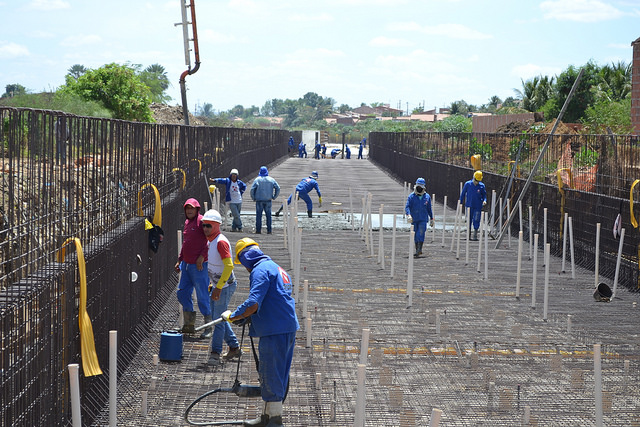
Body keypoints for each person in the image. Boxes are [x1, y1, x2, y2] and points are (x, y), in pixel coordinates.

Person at [221, 238, 299, 427]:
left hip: (274, 330)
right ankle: (267, 417)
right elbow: (275, 299)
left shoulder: (259, 271)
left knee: (271, 374)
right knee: (277, 373)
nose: (246, 269)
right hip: (286, 327)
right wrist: (250, 317)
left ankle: (274, 421)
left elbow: (254, 303)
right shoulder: (276, 268)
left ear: (245, 259)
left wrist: (234, 315)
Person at [201, 209, 242, 365]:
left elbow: (229, 266)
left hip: (225, 286)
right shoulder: (210, 240)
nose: (205, 229)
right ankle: (234, 347)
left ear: (216, 226)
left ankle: (215, 353)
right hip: (218, 285)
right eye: (204, 225)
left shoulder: (220, 242)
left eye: (209, 226)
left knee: (218, 320)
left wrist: (218, 287)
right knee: (219, 318)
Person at [175, 198, 212, 336]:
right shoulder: (187, 222)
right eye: (187, 208)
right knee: (182, 293)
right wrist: (180, 259)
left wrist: (202, 257)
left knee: (202, 296)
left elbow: (209, 240)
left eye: (192, 208)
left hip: (199, 266)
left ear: (197, 209)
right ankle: (189, 324)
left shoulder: (202, 221)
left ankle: (208, 326)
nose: (189, 210)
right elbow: (186, 243)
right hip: (186, 265)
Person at [405, 178, 434, 257]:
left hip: (423, 219)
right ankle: (417, 248)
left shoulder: (427, 197)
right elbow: (407, 207)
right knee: (414, 234)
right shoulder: (411, 196)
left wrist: (432, 218)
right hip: (414, 219)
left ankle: (419, 249)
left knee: (420, 233)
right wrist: (408, 215)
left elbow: (429, 209)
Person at [250, 166, 280, 235]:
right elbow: (278, 188)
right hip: (268, 200)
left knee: (259, 216)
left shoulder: (257, 180)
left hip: (259, 200)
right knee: (268, 216)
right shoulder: (271, 180)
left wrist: (253, 197)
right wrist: (274, 196)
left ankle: (258, 230)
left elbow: (252, 190)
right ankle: (269, 230)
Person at [459, 170, 487, 241]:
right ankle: (468, 235)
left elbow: (484, 195)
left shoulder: (481, 186)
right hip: (469, 205)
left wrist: (484, 201)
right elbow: (463, 194)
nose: (476, 182)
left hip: (478, 206)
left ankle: (475, 234)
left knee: (476, 219)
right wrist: (460, 202)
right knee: (469, 220)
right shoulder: (468, 184)